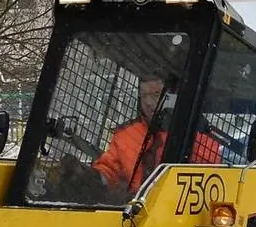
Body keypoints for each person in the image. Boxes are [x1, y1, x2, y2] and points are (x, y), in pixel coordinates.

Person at [92, 78, 222, 195]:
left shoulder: (196, 134)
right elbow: (108, 171)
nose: (148, 102)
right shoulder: (125, 134)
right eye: (144, 96)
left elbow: (208, 176)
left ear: (173, 97)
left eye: (156, 95)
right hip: (133, 208)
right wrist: (89, 177)